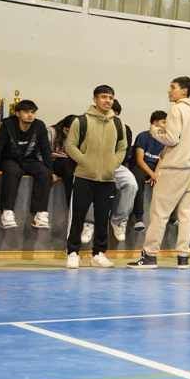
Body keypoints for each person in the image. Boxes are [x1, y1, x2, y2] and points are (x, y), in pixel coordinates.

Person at [128, 76, 190, 270]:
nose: (169, 91)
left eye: (173, 87)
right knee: (186, 214)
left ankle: (149, 256)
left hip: (174, 167)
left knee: (160, 213)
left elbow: (171, 139)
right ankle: (183, 257)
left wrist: (155, 130)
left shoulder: (177, 108)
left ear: (184, 91)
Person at [65, 85, 127, 269]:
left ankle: (98, 254)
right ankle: (73, 252)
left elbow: (122, 147)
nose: (107, 100)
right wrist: (84, 161)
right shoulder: (81, 121)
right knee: (78, 216)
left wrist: (113, 164)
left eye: (110, 98)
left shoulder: (118, 123)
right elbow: (70, 145)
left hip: (107, 179)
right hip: (84, 176)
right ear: (95, 99)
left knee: (102, 218)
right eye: (103, 97)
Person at [0, 99, 54, 229]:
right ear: (17, 113)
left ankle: (40, 214)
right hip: (9, 159)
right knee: (13, 171)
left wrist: (50, 171)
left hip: (29, 159)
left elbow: (45, 149)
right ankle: (7, 212)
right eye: (26, 112)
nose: (30, 115)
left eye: (33, 112)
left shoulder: (39, 125)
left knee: (44, 172)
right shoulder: (8, 124)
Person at [106, 99, 139, 242]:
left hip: (116, 165)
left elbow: (124, 152)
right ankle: (89, 222)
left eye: (114, 114)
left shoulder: (125, 129)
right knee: (95, 186)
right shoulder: (90, 125)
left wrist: (113, 164)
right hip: (93, 166)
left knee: (131, 184)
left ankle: (118, 220)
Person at [130, 111, 168, 232]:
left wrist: (156, 174)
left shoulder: (165, 140)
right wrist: (152, 174)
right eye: (164, 122)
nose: (167, 124)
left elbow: (161, 159)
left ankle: (170, 217)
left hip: (155, 169)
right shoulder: (143, 136)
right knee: (138, 179)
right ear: (155, 122)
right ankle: (139, 218)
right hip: (141, 166)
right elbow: (140, 160)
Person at [49, 115, 78, 202]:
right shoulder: (51, 132)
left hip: (68, 162)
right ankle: (72, 204)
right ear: (65, 130)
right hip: (52, 163)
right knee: (67, 164)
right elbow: (43, 154)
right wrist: (50, 172)